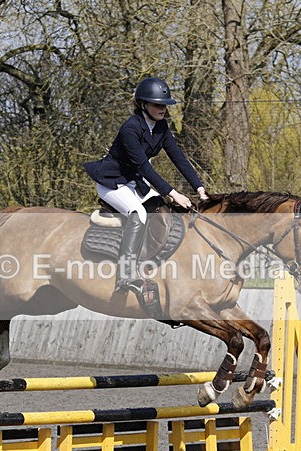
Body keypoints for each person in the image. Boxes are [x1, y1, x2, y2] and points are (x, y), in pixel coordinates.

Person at [84, 77, 209, 294]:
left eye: (165, 105)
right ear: (143, 104)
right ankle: (125, 275)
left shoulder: (160, 127)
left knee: (161, 210)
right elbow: (144, 167)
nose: (162, 109)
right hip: (112, 183)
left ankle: (150, 261)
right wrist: (173, 193)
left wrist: (199, 187)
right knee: (138, 214)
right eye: (157, 105)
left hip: (133, 183)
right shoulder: (130, 129)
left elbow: (178, 157)